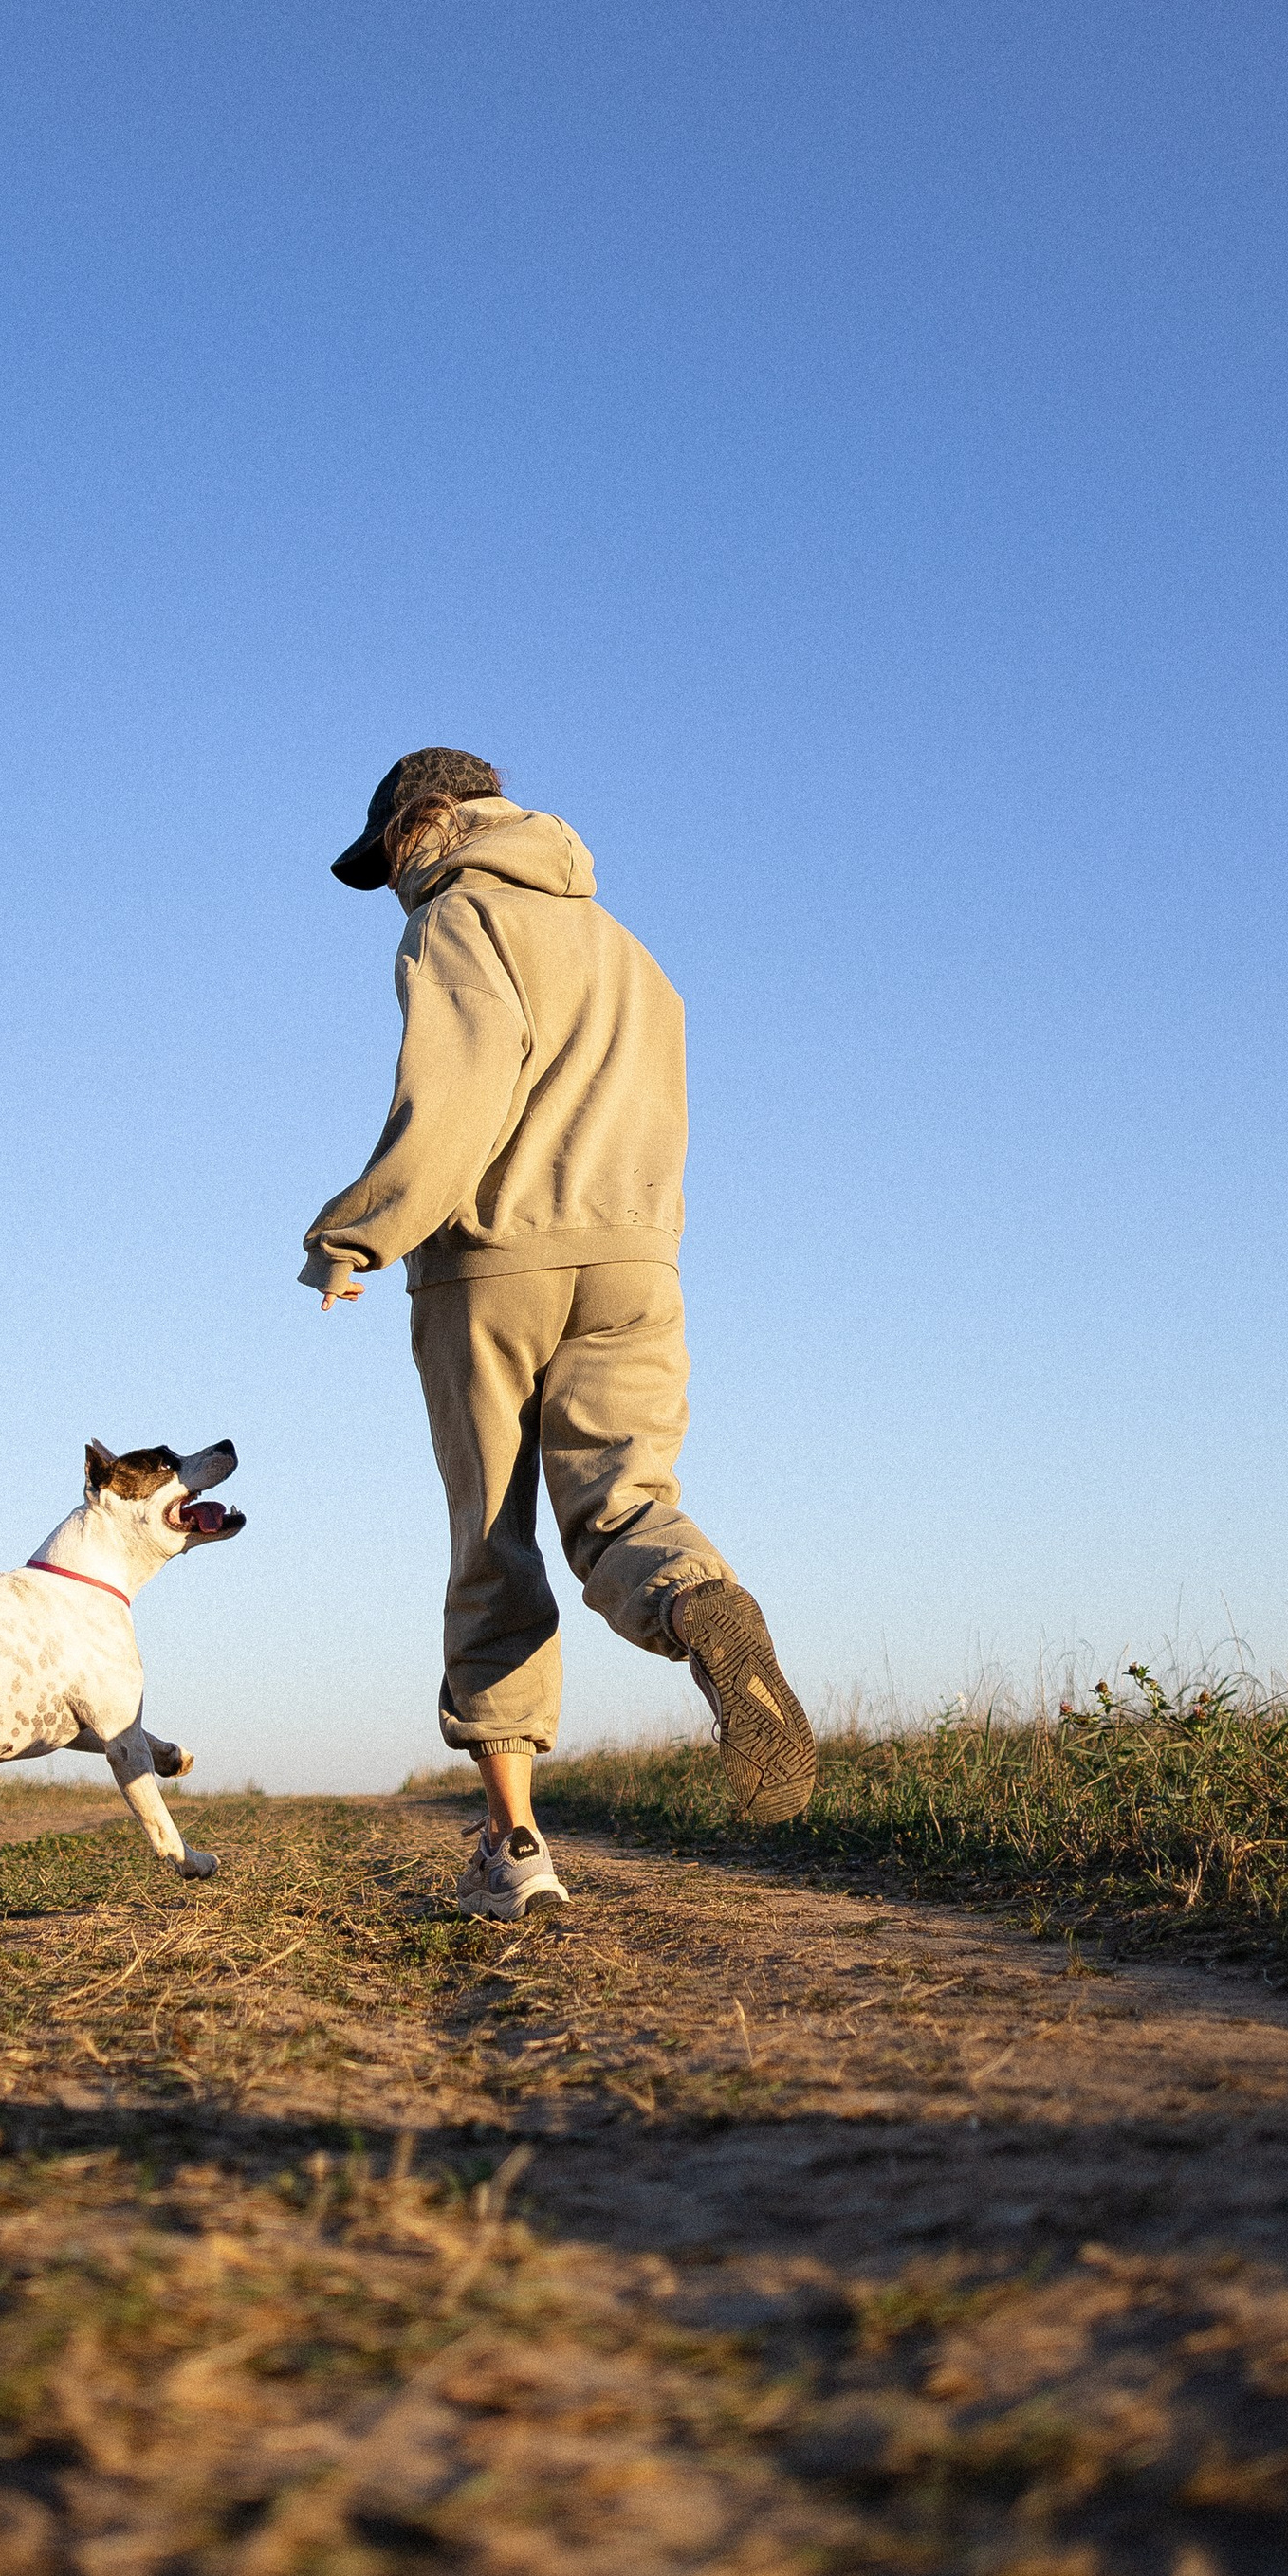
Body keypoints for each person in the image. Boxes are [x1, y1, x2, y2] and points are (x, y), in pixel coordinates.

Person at [301, 746, 815, 1920]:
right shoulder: (633, 953)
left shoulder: (454, 919)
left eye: (383, 857)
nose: (386, 884)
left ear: (425, 824)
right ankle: (697, 1603)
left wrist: (356, 1237)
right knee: (630, 1506)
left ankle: (516, 1842)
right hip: (638, 1260)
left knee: (493, 1539)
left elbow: (458, 1095)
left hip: (493, 1260)